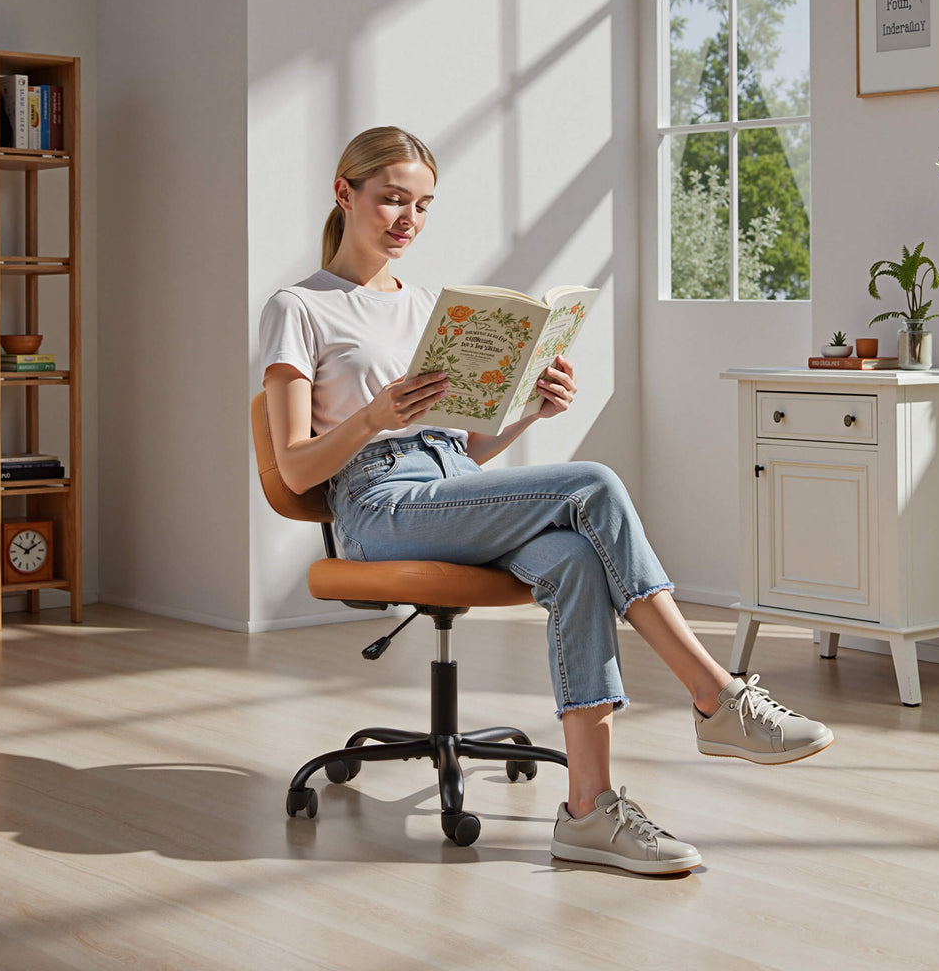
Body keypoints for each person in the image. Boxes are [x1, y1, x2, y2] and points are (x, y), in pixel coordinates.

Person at [260, 126, 833, 876]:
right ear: (345, 193)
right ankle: (715, 695)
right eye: (393, 200)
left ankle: (589, 812)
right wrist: (373, 417)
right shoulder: (299, 307)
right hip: (377, 504)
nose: (409, 220)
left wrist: (532, 408)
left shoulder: (429, 306)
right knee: (592, 482)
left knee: (573, 559)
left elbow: (465, 450)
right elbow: (295, 467)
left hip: (447, 483)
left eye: (423, 206)